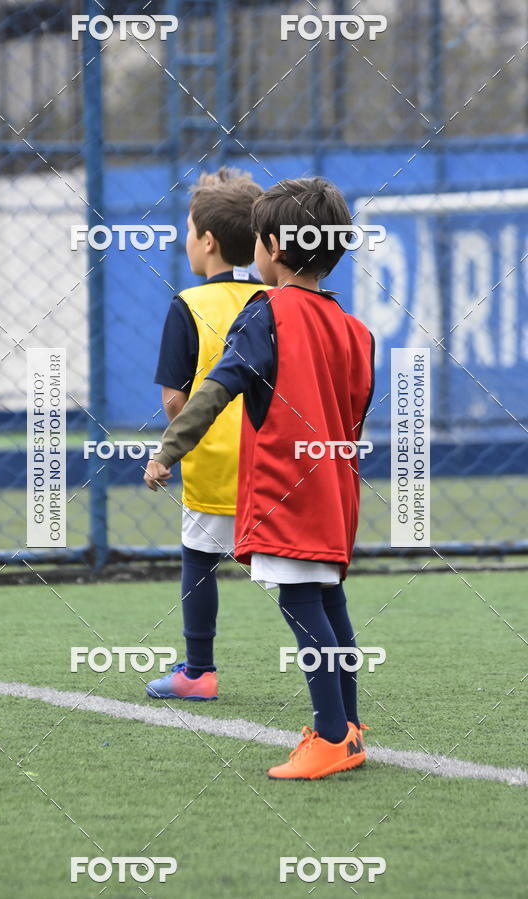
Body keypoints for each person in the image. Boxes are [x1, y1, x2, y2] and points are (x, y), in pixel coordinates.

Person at [145, 177, 375, 780]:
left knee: (302, 604)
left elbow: (216, 388)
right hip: (335, 489)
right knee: (330, 600)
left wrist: (169, 450)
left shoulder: (267, 314)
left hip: (285, 491)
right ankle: (347, 725)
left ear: (269, 245)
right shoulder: (355, 329)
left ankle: (330, 738)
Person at [146, 168, 268, 703]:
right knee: (297, 574)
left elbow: (176, 398)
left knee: (199, 561)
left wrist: (178, 435)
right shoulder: (278, 298)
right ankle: (327, 662)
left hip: (214, 466)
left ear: (209, 241)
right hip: (277, 464)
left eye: (189, 230)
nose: (186, 239)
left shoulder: (189, 305)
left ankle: (199, 671)